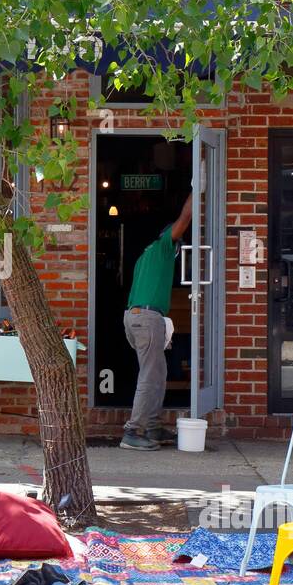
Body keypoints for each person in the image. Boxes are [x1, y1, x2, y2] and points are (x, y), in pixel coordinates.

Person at [121, 192, 193, 450]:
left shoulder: (145, 256)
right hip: (147, 319)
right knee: (150, 376)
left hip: (136, 317)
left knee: (157, 373)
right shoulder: (164, 247)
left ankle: (153, 427)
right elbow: (185, 218)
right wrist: (198, 186)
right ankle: (133, 431)